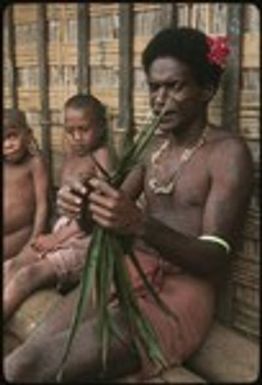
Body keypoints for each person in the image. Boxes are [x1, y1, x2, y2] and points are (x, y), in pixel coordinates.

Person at [4, 27, 254, 383]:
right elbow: (104, 218)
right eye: (154, 87)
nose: (159, 100)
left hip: (180, 294)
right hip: (125, 271)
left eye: (175, 86)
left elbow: (215, 257)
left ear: (207, 90)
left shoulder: (228, 154)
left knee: (31, 369)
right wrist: (83, 204)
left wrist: (139, 224)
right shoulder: (153, 148)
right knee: (25, 356)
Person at [3, 94, 110, 322]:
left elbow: (100, 213)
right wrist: (51, 235)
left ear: (101, 127)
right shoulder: (72, 155)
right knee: (14, 265)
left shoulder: (102, 157)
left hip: (86, 239)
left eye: (84, 129)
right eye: (70, 131)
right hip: (62, 232)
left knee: (26, 276)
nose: (76, 137)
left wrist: (56, 238)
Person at [3, 109, 49, 262]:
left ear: (28, 135)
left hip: (21, 233)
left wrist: (34, 239)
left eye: (12, 136)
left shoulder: (34, 164)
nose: (7, 145)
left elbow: (43, 204)